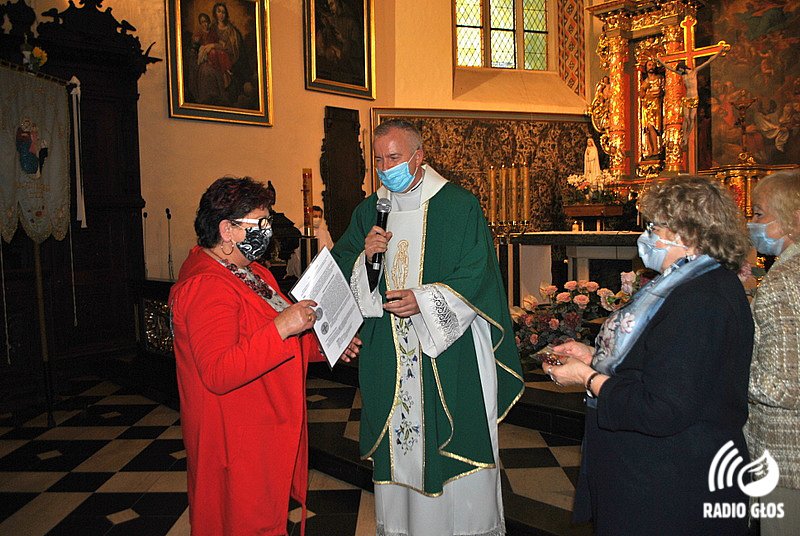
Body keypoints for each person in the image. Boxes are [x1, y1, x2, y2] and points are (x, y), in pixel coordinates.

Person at [331, 119, 524, 536]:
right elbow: (340, 269)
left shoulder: (458, 205)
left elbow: (478, 273)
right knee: (400, 449)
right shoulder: (368, 211)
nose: (386, 169)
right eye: (378, 160)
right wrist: (365, 259)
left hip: (449, 351)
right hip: (389, 353)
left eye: (394, 158)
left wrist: (424, 300)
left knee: (452, 444)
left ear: (419, 156)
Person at [548, 176, 754, 535]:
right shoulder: (686, 282)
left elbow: (663, 408)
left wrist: (587, 377)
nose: (646, 236)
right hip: (653, 475)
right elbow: (662, 357)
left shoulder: (701, 298)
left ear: (688, 234)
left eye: (655, 227)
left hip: (673, 485)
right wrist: (593, 354)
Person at [169, 176, 361, 535]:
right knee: (243, 521)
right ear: (227, 230)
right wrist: (282, 327)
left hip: (263, 426)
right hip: (236, 436)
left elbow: (276, 336)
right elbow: (219, 372)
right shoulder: (206, 286)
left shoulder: (252, 273)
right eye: (259, 223)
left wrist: (324, 344)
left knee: (266, 516)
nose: (268, 231)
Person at [744, 169, 800, 536]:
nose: (752, 223)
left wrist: (726, 362)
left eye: (760, 213)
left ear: (790, 219)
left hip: (786, 454)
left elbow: (781, 387)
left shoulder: (783, 281)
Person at [658, 51, 724, 147]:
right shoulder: (683, 75)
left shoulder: (694, 72)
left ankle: (687, 135)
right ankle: (684, 137)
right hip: (687, 98)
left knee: (691, 118)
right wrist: (661, 61)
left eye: (679, 70)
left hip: (694, 98)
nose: (679, 72)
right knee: (686, 118)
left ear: (682, 68)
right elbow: (670, 68)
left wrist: (718, 53)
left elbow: (708, 62)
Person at [639, 59, 665, 158]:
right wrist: (644, 89)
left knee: (655, 126)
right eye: (649, 65)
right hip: (647, 106)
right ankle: (651, 149)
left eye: (653, 65)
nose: (651, 67)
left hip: (656, 105)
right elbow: (641, 95)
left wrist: (657, 93)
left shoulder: (659, 78)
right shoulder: (645, 81)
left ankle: (657, 148)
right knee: (648, 128)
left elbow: (663, 91)